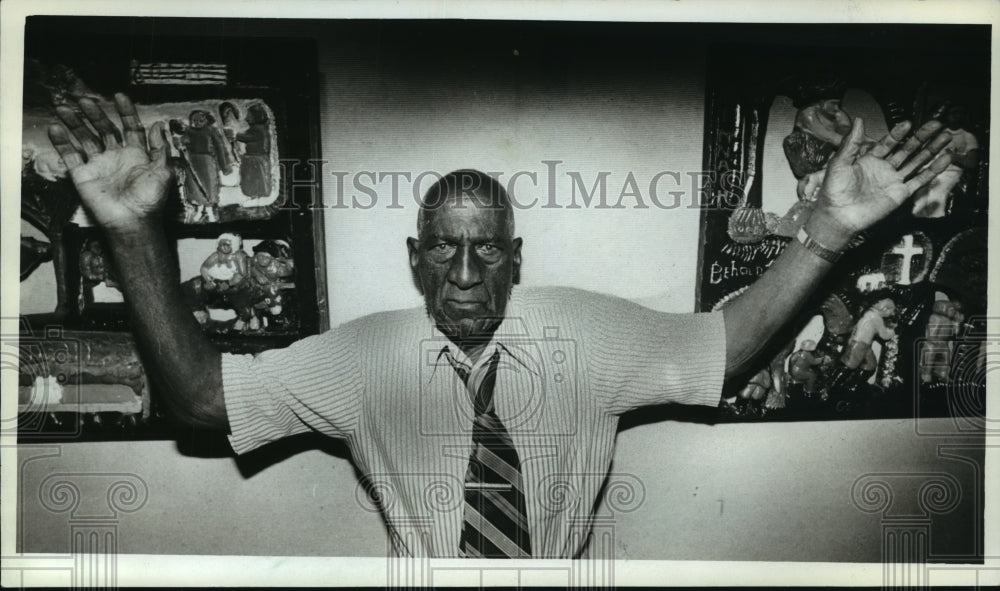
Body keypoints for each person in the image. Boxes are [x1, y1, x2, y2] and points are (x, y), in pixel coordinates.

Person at [46, 93, 951, 559]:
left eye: (489, 251)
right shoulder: (363, 359)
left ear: (516, 257)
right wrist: (133, 235)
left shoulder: (587, 338)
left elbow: (731, 341)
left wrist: (829, 228)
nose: (467, 274)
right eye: (444, 250)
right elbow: (203, 399)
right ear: (414, 256)